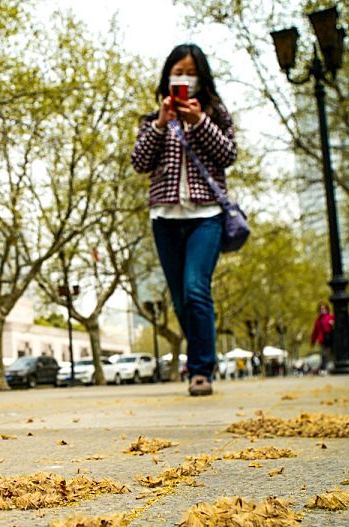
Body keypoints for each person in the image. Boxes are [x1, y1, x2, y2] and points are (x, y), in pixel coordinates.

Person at [130, 43, 237, 396]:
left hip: (206, 215)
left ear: (202, 78)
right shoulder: (152, 121)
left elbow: (228, 155)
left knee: (195, 289)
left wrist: (199, 122)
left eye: (191, 73)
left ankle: (201, 370)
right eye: (178, 72)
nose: (184, 79)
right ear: (167, 77)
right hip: (165, 218)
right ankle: (201, 359)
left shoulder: (216, 115)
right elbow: (140, 162)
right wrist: (162, 123)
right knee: (179, 300)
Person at [310, 303, 335, 373]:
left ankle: (332, 368)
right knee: (324, 355)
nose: (322, 310)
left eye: (323, 308)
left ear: (327, 309)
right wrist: (312, 341)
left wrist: (333, 324)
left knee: (332, 354)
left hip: (332, 339)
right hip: (323, 339)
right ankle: (325, 369)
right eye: (320, 309)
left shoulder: (331, 317)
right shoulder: (318, 320)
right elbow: (315, 332)